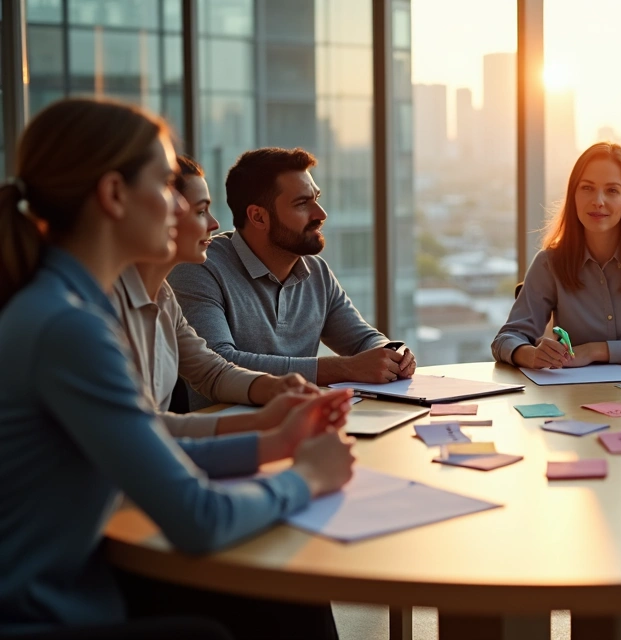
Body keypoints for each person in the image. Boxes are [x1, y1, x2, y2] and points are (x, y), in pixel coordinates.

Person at [0, 98, 357, 640]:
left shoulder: (71, 306)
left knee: (287, 596)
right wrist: (307, 477)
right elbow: (198, 519)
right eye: (166, 184)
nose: (183, 210)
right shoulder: (69, 327)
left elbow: (148, 447)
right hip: (46, 611)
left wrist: (274, 443)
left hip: (83, 582)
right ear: (114, 196)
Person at [167, 147, 415, 409]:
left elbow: (363, 341)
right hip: (228, 434)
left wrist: (391, 353)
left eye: (316, 198)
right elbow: (220, 364)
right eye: (302, 204)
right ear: (258, 217)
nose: (320, 214)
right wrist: (345, 368)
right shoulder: (199, 267)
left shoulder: (316, 272)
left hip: (300, 424)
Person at [109, 154, 318, 438]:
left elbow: (212, 372)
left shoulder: (164, 298)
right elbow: (134, 431)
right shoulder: (101, 307)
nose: (215, 224)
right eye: (200, 210)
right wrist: (266, 434)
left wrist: (275, 388)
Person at [492, 142, 621, 368]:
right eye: (587, 188)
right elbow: (505, 339)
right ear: (573, 196)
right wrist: (529, 354)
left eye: (612, 190)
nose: (598, 201)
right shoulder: (550, 262)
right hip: (572, 396)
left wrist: (595, 350)